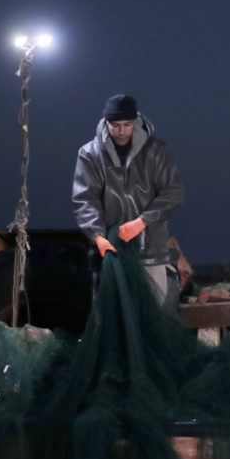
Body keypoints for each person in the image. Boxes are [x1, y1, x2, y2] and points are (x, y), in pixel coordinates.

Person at [72, 95, 185, 307]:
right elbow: (85, 201)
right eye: (115, 125)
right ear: (106, 122)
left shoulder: (156, 150)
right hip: (109, 254)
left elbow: (173, 192)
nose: (122, 131)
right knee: (109, 318)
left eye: (127, 124)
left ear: (136, 121)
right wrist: (98, 238)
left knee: (154, 318)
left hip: (152, 252)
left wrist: (141, 222)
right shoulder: (89, 154)